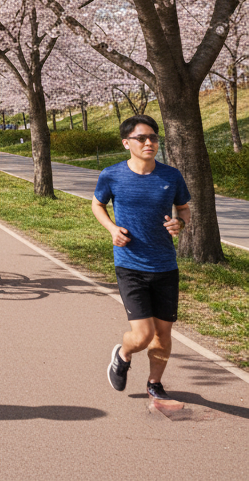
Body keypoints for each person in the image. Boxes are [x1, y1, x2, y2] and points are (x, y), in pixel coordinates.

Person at [93, 115, 191, 401]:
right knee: (143, 335)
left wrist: (180, 223)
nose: (149, 143)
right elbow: (97, 204)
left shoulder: (171, 176)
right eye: (141, 138)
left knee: (163, 334)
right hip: (130, 265)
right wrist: (112, 229)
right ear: (127, 143)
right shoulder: (112, 174)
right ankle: (123, 354)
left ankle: (154, 383)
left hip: (165, 265)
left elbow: (183, 209)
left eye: (154, 138)